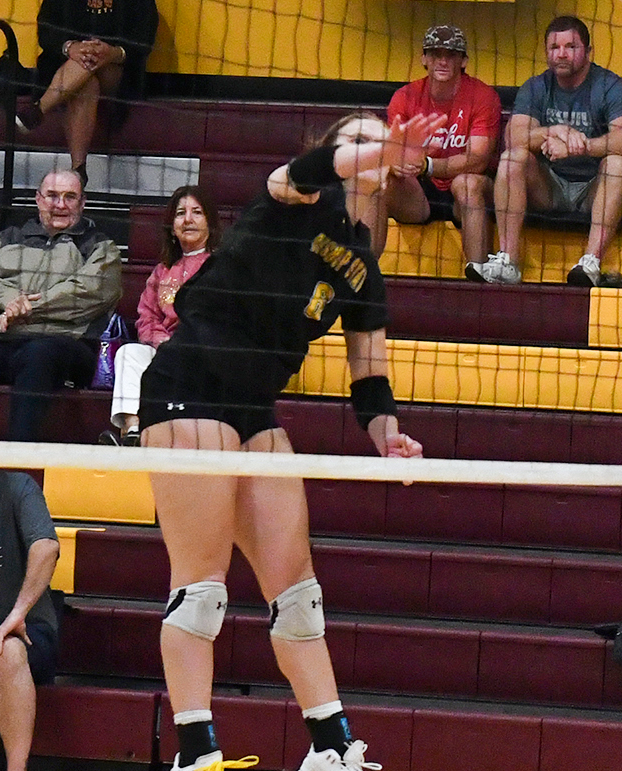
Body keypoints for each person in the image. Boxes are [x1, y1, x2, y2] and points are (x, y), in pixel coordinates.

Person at [137, 109, 442, 771]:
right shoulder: (292, 196)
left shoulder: (364, 267)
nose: (373, 148)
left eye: (378, 141)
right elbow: (303, 170)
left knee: (298, 597)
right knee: (201, 590)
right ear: (333, 151)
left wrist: (390, 437)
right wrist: (372, 147)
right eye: (356, 138)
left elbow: (371, 384)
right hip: (190, 381)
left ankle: (333, 751)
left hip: (253, 407)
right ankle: (196, 754)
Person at [478, 16, 622, 288]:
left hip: (593, 188)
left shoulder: (609, 85)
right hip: (549, 185)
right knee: (511, 159)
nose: (561, 54)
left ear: (588, 52)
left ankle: (590, 262)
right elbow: (514, 137)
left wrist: (584, 146)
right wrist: (555, 131)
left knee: (617, 164)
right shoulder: (536, 86)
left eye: (570, 47)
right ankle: (508, 261)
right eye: (554, 47)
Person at [0, 169, 122, 442]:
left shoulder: (101, 246)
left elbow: (90, 291)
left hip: (66, 343)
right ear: (38, 200)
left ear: (82, 203)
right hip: (4, 337)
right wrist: (9, 300)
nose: (60, 205)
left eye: (69, 197)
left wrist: (28, 307)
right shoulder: (6, 239)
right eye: (52, 196)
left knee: (40, 354)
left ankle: (18, 459)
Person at [29, 0, 160, 184]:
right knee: (86, 81)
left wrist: (112, 53)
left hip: (118, 75)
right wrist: (71, 48)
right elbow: (46, 32)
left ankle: (37, 110)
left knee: (93, 63)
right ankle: (79, 170)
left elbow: (144, 40)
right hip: (66, 71)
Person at [100, 185, 219, 447]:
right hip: (163, 350)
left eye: (197, 212)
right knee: (128, 353)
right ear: (172, 226)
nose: (187, 219)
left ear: (210, 222)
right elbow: (146, 317)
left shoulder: (221, 267)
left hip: (202, 354)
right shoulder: (162, 272)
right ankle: (132, 431)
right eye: (180, 213)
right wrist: (160, 341)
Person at [380, 25, 501, 273]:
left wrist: (428, 164)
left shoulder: (483, 96)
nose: (443, 61)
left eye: (451, 54)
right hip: (417, 190)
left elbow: (478, 159)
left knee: (467, 184)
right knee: (376, 179)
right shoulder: (405, 97)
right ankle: (363, 270)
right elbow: (394, 151)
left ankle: (480, 271)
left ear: (464, 60)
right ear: (424, 58)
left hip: (464, 188)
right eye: (436, 54)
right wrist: (397, 163)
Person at [0, 469, 60, 771]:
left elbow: (46, 547)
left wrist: (17, 613)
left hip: (27, 630)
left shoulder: (17, 487)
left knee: (6, 649)